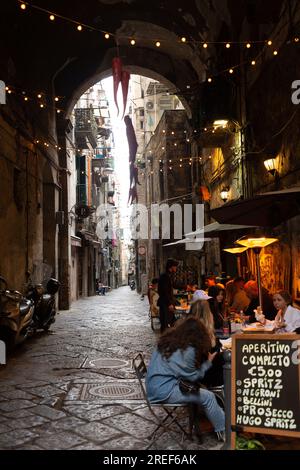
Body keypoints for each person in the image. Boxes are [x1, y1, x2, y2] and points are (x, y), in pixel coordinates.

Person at [146, 316, 225, 441]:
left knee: (202, 392)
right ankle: (225, 431)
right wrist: (208, 362)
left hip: (153, 386)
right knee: (209, 397)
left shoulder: (167, 341)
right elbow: (194, 376)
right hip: (164, 391)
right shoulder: (187, 350)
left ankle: (211, 423)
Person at [189, 299, 225, 388]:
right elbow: (213, 350)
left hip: (193, 371)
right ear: (208, 314)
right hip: (203, 375)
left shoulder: (188, 327)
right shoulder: (203, 330)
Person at [157, 259, 178, 333]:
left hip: (167, 303)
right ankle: (164, 340)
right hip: (165, 304)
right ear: (171, 267)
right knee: (165, 324)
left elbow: (174, 285)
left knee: (171, 322)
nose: (176, 268)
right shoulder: (165, 276)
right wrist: (169, 304)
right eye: (175, 266)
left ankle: (168, 339)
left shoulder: (168, 276)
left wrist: (186, 287)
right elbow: (164, 292)